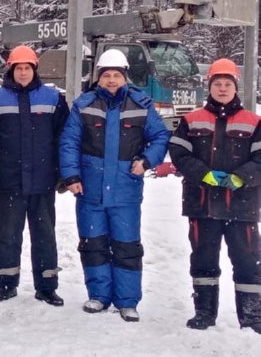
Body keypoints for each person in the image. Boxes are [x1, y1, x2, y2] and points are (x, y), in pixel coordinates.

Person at [59, 48, 170, 322]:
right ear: (98, 77)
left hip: (126, 190)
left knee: (126, 245)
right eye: (106, 75)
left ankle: (127, 301)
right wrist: (71, 176)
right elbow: (69, 141)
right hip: (90, 189)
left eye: (116, 75)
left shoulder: (141, 104)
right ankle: (98, 295)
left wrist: (146, 160)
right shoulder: (84, 104)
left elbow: (160, 136)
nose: (111, 80)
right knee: (93, 243)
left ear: (125, 77)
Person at [169, 58, 261, 334]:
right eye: (217, 84)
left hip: (241, 207)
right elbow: (179, 153)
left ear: (236, 87)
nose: (222, 89)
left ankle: (252, 317)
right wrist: (203, 174)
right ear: (209, 87)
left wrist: (242, 176)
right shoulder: (191, 120)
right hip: (202, 204)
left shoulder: (253, 121)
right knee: (203, 259)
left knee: (248, 260)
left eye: (227, 84)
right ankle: (205, 312)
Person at [0, 45, 69, 305]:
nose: (22, 73)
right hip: (8, 182)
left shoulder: (53, 98)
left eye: (27, 68)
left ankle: (46, 286)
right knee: (7, 236)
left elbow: (64, 137)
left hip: (43, 182)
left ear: (34, 69)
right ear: (11, 70)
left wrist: (64, 172)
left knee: (45, 236)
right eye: (18, 68)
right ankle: (7, 283)